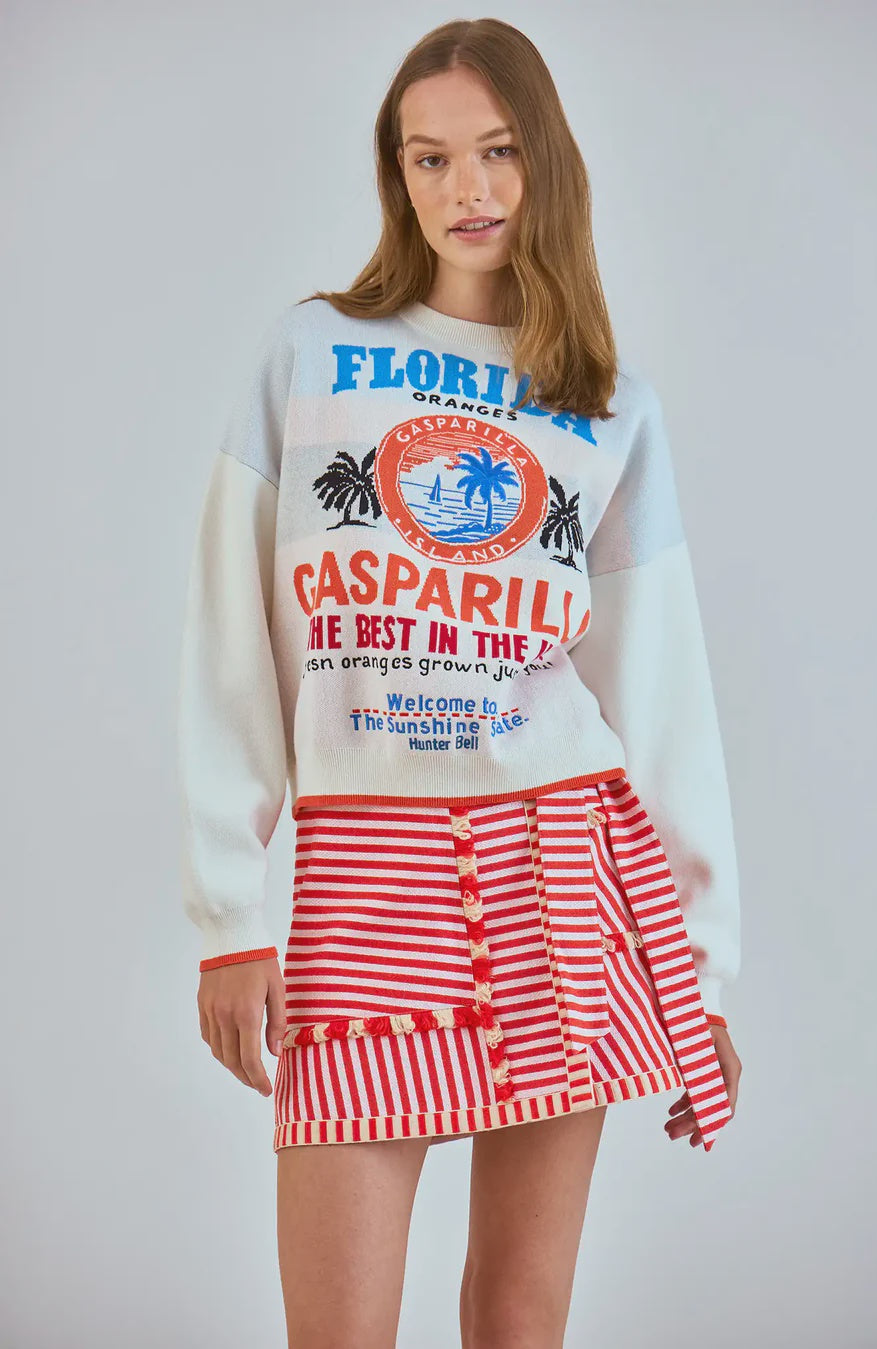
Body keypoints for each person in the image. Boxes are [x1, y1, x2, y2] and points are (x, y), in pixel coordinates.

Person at [176, 17, 743, 1348]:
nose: (466, 190)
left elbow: (662, 695)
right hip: (366, 873)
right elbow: (227, 634)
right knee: (340, 1329)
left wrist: (708, 973)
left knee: (517, 1312)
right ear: (397, 176)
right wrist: (225, 910)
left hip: (560, 863)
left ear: (544, 165)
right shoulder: (308, 355)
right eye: (429, 160)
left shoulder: (603, 404)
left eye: (495, 153)